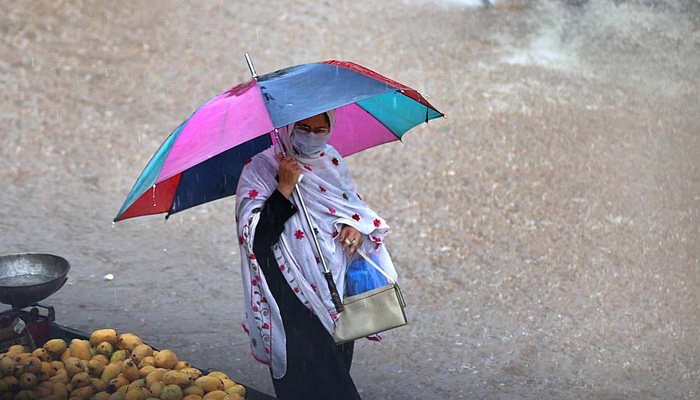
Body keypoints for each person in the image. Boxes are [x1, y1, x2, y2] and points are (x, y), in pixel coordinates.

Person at [235, 110, 397, 399]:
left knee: (334, 371)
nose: (311, 136)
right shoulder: (260, 168)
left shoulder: (330, 161)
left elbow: (353, 209)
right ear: (287, 127)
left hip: (335, 291)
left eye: (320, 130)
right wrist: (284, 187)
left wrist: (354, 227)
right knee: (319, 385)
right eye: (303, 127)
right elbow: (256, 242)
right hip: (289, 298)